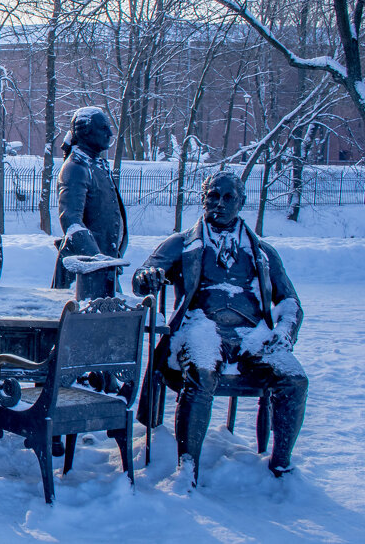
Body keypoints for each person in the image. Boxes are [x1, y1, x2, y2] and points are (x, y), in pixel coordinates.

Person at [132, 170, 306, 483]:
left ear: (241, 201)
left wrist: (283, 333)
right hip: (201, 329)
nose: (219, 204)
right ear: (203, 198)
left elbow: (290, 302)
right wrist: (147, 278)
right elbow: (144, 274)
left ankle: (281, 468)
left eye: (228, 197)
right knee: (202, 372)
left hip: (254, 336)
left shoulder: (263, 253)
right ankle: (189, 469)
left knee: (294, 379)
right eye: (213, 196)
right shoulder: (183, 243)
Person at [53, 107, 127, 298]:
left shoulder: (96, 165)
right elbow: (71, 221)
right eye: (103, 128)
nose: (110, 133)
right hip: (84, 273)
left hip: (104, 266)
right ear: (85, 131)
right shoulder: (76, 167)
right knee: (85, 324)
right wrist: (96, 260)